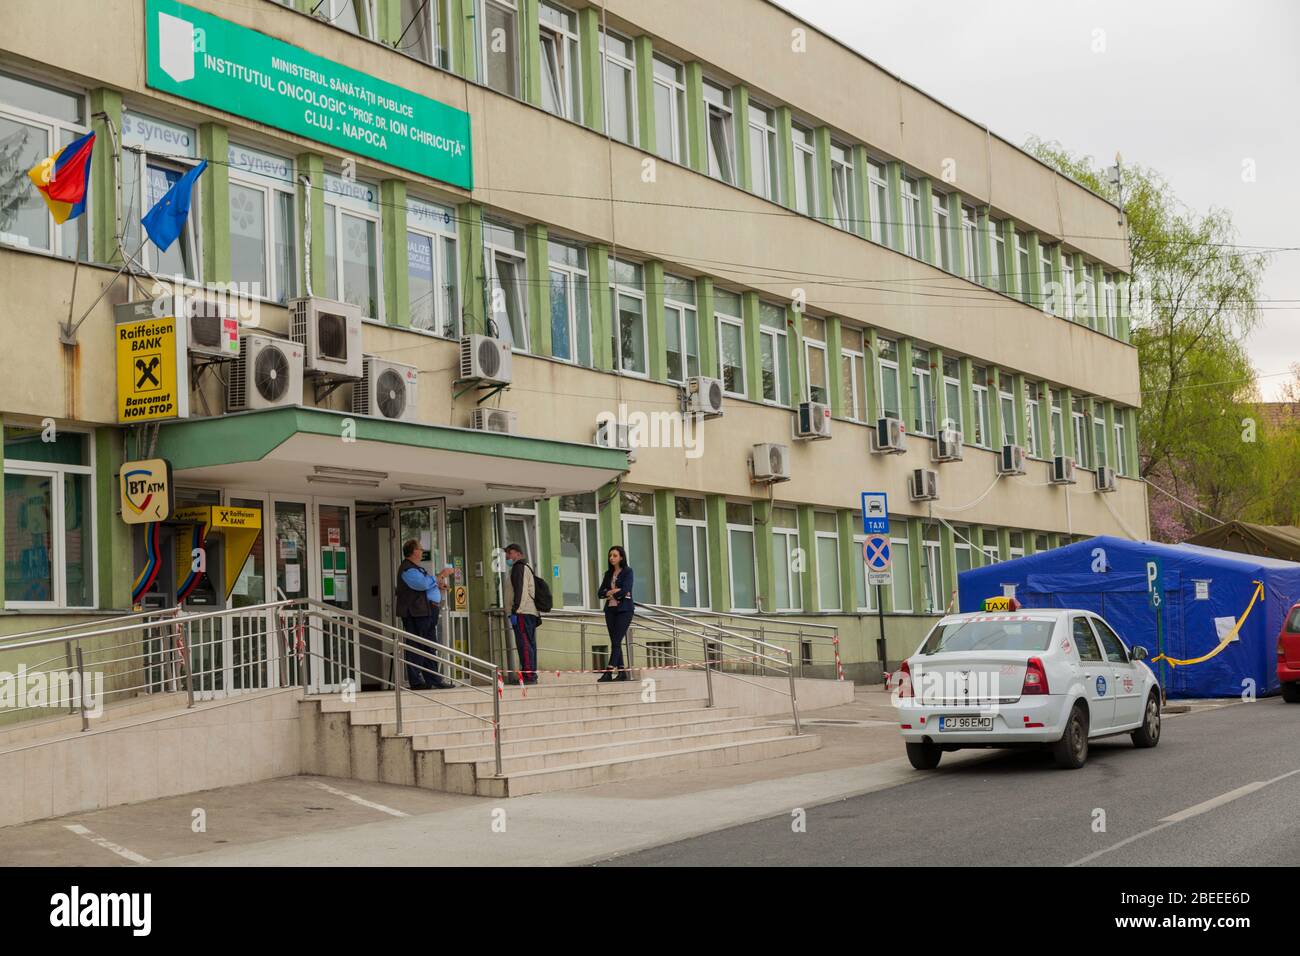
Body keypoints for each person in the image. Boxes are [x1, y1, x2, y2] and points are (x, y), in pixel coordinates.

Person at [395, 539, 451, 690]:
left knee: (429, 646)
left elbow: (426, 584)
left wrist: (438, 585)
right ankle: (416, 681)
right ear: (413, 551)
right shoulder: (407, 569)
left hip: (425, 612)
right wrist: (441, 575)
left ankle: (433, 679)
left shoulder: (416, 568)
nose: (422, 551)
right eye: (420, 549)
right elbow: (423, 584)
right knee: (416, 645)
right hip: (415, 613)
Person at [596, 545, 635, 682]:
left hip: (624, 610)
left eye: (615, 555)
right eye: (610, 555)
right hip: (610, 611)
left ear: (621, 557)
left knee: (616, 641)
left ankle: (609, 671)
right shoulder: (608, 574)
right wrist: (610, 592)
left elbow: (625, 590)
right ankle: (622, 671)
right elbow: (600, 593)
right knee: (615, 641)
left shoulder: (628, 572)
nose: (611, 558)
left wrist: (612, 593)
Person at [504, 543, 540, 685]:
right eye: (507, 553)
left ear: (518, 554)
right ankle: (530, 674)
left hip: (522, 613)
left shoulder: (518, 568)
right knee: (529, 644)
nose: (507, 556)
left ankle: (529, 676)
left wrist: (515, 610)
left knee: (524, 644)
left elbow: (520, 591)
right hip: (527, 612)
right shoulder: (525, 567)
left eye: (510, 553)